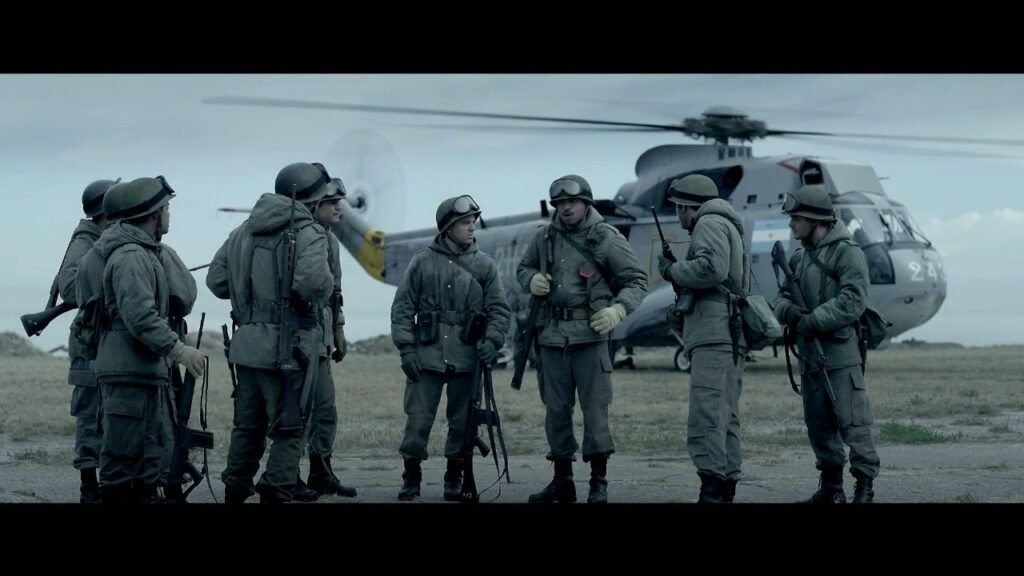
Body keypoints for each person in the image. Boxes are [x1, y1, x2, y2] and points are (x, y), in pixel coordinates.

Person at [208, 161, 335, 504]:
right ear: (313, 199)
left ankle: (235, 487)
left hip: (247, 345)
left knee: (248, 425)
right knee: (291, 426)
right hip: (289, 346)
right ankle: (276, 487)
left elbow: (216, 281)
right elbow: (312, 284)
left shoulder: (242, 232)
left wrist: (250, 298)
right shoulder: (310, 232)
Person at [516, 174, 647, 504]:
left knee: (595, 412)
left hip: (591, 337)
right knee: (556, 412)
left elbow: (636, 280)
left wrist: (618, 310)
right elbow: (523, 268)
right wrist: (531, 279)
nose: (566, 208)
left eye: (572, 201)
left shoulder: (607, 238)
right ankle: (562, 481)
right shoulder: (543, 237)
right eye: (560, 203)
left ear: (586, 203)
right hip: (551, 338)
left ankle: (598, 482)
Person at [92, 176, 206, 504]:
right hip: (128, 372)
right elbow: (139, 316)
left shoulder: (144, 253)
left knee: (146, 460)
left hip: (140, 370)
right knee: (123, 464)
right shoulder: (130, 256)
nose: (169, 215)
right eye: (166, 209)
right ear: (152, 215)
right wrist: (178, 349)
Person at [390, 195, 510, 502]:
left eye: (472, 222)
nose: (471, 228)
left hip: (467, 357)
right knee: (418, 420)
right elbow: (402, 308)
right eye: (464, 223)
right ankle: (411, 476)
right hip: (426, 355)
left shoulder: (484, 265)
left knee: (462, 422)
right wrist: (406, 349)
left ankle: (454, 477)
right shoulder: (422, 262)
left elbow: (499, 310)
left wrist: (492, 341)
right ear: (447, 228)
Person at [773, 185, 880, 504]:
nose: (791, 224)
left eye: (796, 218)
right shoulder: (798, 257)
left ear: (815, 220)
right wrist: (791, 313)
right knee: (818, 426)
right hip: (810, 357)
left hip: (840, 355)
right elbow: (780, 298)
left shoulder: (847, 252)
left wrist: (813, 320)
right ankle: (832, 489)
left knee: (854, 423)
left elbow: (853, 300)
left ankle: (864, 488)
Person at [656, 174, 748, 503]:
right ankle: (725, 489)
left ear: (686, 207)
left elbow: (712, 269)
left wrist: (671, 270)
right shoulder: (726, 224)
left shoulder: (708, 224)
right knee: (725, 416)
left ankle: (712, 493)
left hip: (714, 334)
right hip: (727, 332)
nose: (677, 215)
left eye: (678, 208)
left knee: (706, 416)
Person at [54, 178, 117, 503]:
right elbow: (68, 287)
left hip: (102, 340)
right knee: (90, 416)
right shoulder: (86, 241)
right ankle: (88, 485)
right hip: (89, 341)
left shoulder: (102, 238)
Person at [300, 169, 357, 498]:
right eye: (332, 202)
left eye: (339, 201)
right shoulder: (299, 238)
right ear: (314, 204)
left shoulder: (330, 241)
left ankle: (321, 471)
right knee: (297, 410)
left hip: (321, 337)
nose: (339, 207)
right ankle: (286, 475)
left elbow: (335, 291)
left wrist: (338, 330)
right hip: (298, 336)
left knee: (325, 408)